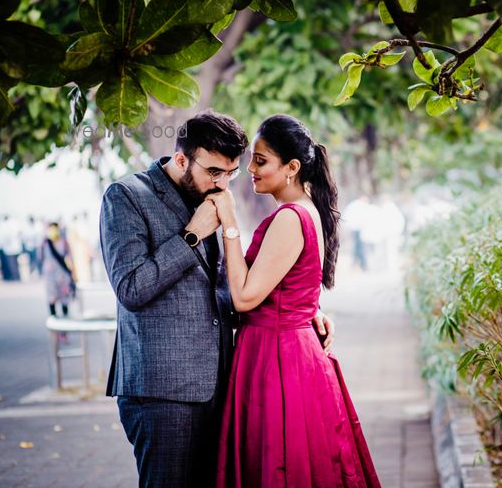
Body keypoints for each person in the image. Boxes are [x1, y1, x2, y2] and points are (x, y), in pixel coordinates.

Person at [99, 111, 337, 487]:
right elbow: (130, 288)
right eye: (214, 172)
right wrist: (191, 235)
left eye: (231, 172)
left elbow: (232, 280)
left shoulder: (212, 195)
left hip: (222, 382)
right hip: (163, 391)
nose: (223, 182)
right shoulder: (128, 197)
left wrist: (304, 309)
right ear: (181, 160)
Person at [211, 114, 379, 487]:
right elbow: (293, 285)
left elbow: (243, 297)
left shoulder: (290, 217)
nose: (249, 169)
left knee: (280, 463)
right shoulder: (304, 211)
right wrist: (312, 311)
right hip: (284, 351)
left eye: (260, 160)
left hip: (277, 359)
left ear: (291, 168)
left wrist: (229, 224)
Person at [41, 222, 75, 317]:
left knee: (64, 295)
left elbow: (70, 256)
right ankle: (53, 317)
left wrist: (71, 271)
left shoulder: (64, 242)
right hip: (50, 274)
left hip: (62, 273)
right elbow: (40, 256)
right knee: (51, 295)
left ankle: (65, 316)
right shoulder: (45, 243)